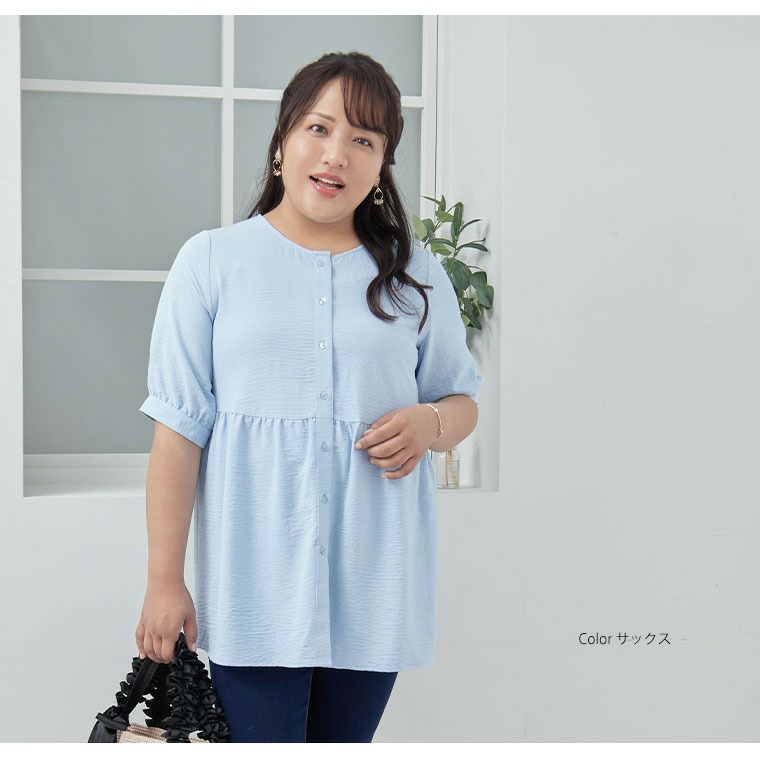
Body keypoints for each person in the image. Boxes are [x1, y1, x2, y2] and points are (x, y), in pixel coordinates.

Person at [134, 50, 482, 743]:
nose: (336, 154)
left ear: (382, 166)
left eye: (364, 140)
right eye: (319, 129)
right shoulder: (211, 261)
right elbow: (178, 431)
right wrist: (164, 581)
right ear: (283, 141)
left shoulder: (414, 273)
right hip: (253, 586)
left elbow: (461, 402)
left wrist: (430, 422)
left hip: (376, 584)